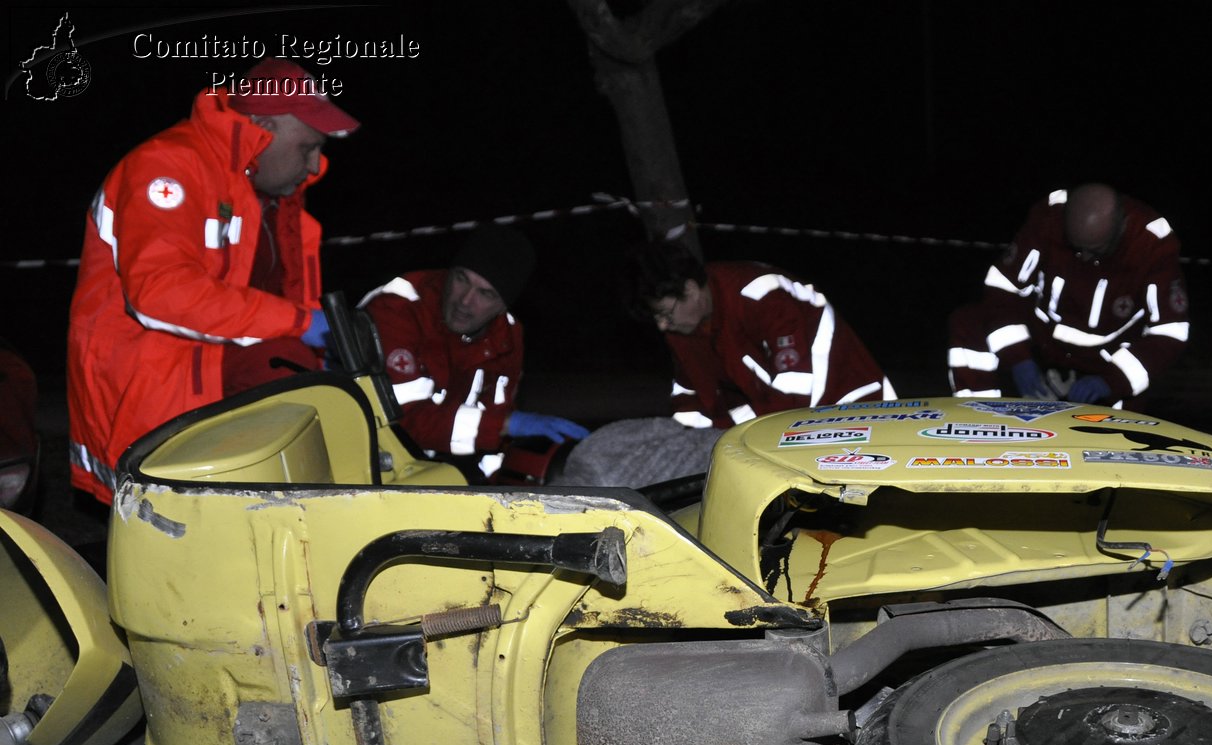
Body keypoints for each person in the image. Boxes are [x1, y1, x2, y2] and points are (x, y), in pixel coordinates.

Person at [66, 59, 357, 504]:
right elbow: (161, 294)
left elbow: (268, 316)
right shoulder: (167, 167)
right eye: (307, 148)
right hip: (153, 405)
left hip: (215, 407)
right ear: (261, 125)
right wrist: (301, 324)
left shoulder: (273, 199)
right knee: (167, 553)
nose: (317, 164)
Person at [360, 229, 587, 480]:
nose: (465, 301)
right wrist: (507, 424)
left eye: (485, 293)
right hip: (371, 462)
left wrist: (500, 486)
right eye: (462, 279)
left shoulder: (506, 336)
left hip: (433, 469)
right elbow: (404, 422)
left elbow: (490, 431)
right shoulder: (398, 308)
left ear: (503, 304)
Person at [946, 183, 1190, 407]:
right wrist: (1019, 359)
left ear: (1120, 227)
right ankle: (977, 415)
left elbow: (1169, 332)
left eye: (1092, 250)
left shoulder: (1151, 245)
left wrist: (1112, 381)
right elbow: (1003, 288)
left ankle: (1109, 431)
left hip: (1103, 361)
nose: (1082, 258)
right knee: (969, 322)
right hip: (1042, 344)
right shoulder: (1048, 218)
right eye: (1076, 248)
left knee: (1123, 415)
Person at [621, 241, 898, 429]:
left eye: (665, 314)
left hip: (854, 414)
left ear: (691, 290)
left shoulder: (761, 295)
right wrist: (686, 439)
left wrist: (730, 434)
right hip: (785, 428)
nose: (662, 326)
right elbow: (690, 396)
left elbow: (794, 391)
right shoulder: (685, 328)